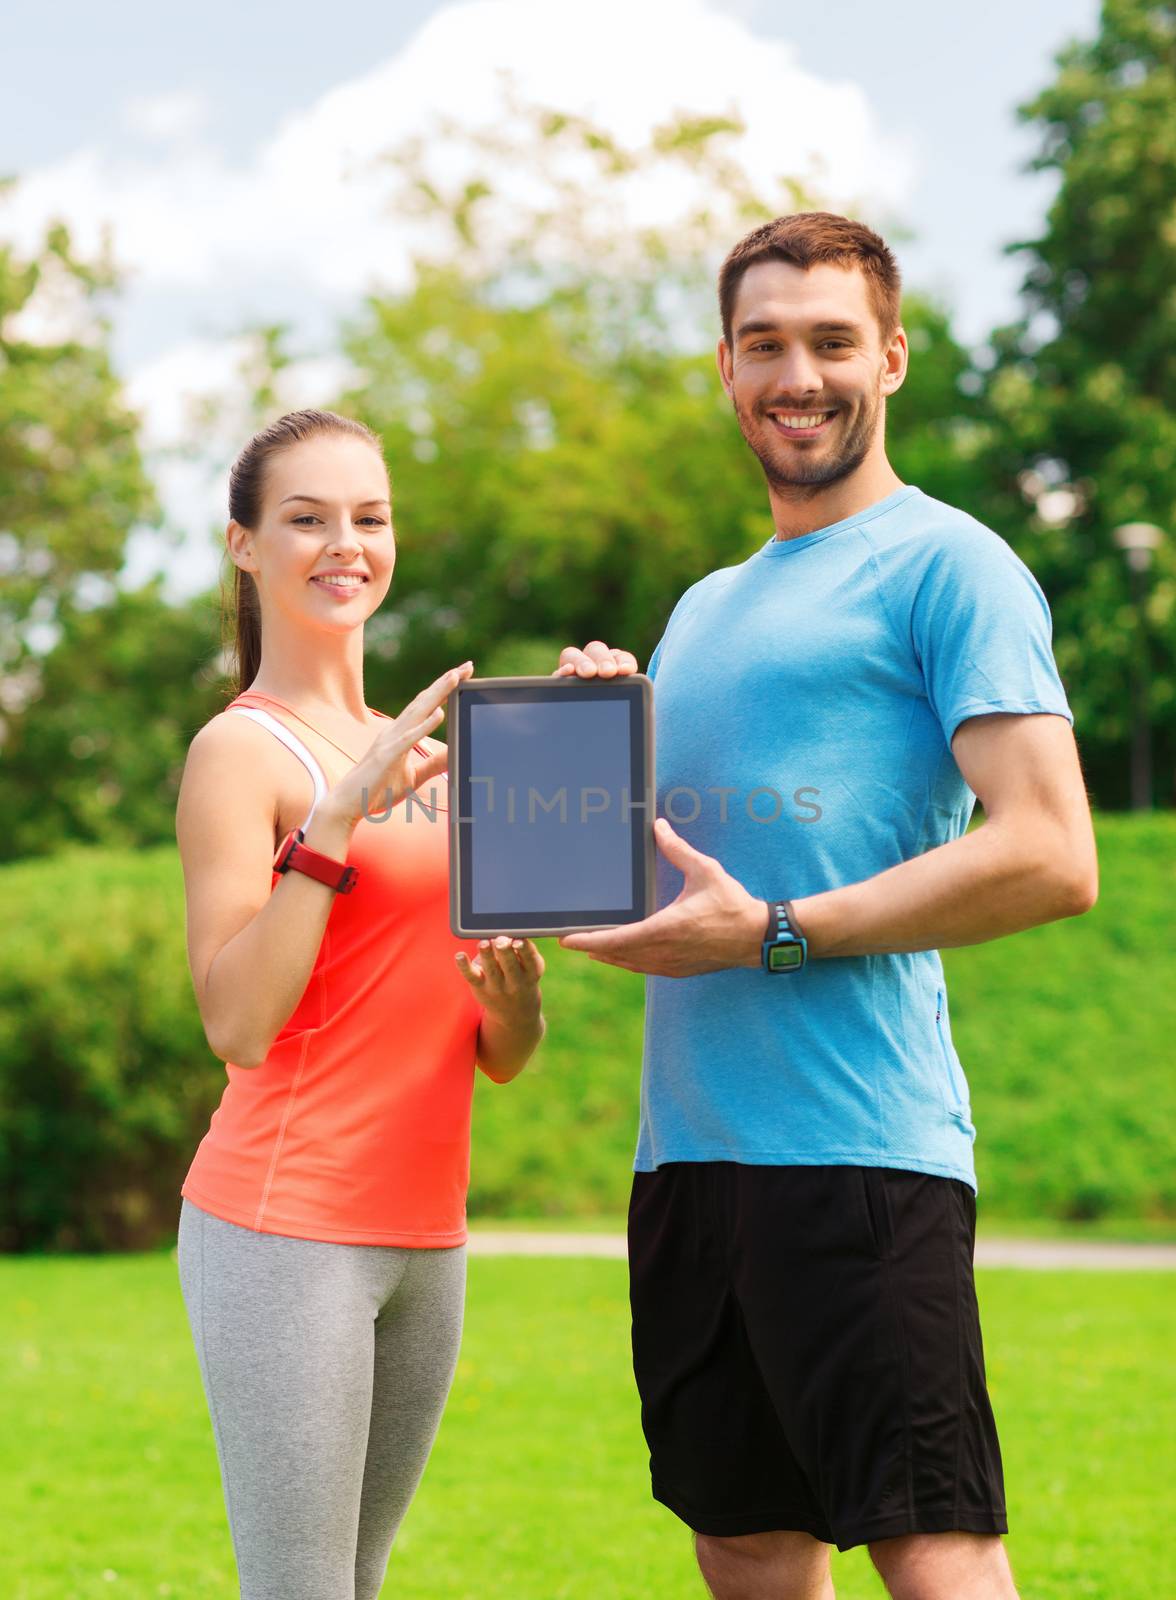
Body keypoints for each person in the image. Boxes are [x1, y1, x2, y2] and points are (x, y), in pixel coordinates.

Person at [555, 213, 1098, 1600]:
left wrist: (784, 932)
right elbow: (662, 866)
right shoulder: (704, 607)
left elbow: (1050, 849)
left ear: (893, 357)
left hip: (862, 1150)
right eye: (766, 344)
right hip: (688, 1161)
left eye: (832, 341)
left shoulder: (951, 565)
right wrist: (581, 736)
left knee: (933, 1546)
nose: (799, 373)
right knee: (741, 1541)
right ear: (726, 371)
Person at [173, 408, 546, 1600]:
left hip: (426, 1234)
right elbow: (236, 1022)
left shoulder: (424, 752)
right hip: (286, 1230)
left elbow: (498, 1055)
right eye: (307, 518)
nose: (347, 543)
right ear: (245, 546)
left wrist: (518, 1000)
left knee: (360, 1579)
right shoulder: (244, 753)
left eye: (369, 517)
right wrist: (334, 823)